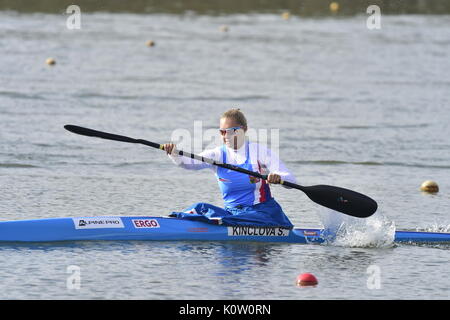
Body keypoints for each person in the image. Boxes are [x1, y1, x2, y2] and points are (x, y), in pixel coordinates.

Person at [164, 108, 296, 229]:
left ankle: (217, 222)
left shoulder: (259, 152)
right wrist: (174, 154)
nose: (225, 136)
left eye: (231, 131)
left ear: (244, 130)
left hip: (262, 213)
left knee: (249, 217)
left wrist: (279, 177)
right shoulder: (217, 155)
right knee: (200, 207)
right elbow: (189, 163)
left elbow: (291, 180)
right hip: (231, 213)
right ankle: (170, 223)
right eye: (222, 132)